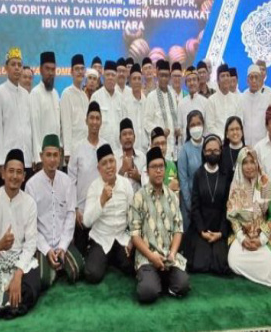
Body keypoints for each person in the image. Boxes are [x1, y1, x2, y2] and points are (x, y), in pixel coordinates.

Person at [0, 149, 41, 323]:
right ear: (3, 173)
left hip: (21, 263)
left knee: (30, 290)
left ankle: (7, 303)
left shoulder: (30, 203)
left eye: (19, 172)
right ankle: (10, 304)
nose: (15, 176)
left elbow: (31, 243)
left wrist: (18, 273)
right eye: (11, 171)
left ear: (24, 176)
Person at [129, 147, 190, 303]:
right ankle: (153, 280)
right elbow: (135, 236)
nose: (158, 170)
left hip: (169, 256)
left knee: (183, 285)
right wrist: (152, 256)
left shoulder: (172, 197)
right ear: (147, 171)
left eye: (161, 166)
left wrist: (172, 254)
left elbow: (178, 229)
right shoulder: (138, 197)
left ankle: (160, 280)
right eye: (154, 167)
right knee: (147, 293)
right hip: (147, 257)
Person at [25, 135, 85, 288]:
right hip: (42, 243)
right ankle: (53, 264)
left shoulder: (66, 182)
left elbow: (70, 216)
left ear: (60, 157)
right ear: (41, 156)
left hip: (62, 241)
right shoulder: (31, 185)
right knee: (43, 280)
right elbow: (31, 225)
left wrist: (62, 247)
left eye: (55, 155)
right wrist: (47, 250)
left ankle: (59, 263)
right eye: (48, 155)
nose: (52, 160)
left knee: (77, 270)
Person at [227, 147, 271, 289]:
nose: (249, 166)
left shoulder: (266, 184)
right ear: (240, 165)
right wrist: (242, 238)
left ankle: (256, 273)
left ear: (257, 163)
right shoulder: (236, 186)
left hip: (264, 235)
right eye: (245, 162)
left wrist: (261, 239)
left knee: (270, 266)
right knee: (233, 259)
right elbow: (233, 218)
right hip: (243, 235)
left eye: (252, 162)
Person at [83, 144, 135, 284]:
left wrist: (131, 240)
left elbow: (133, 215)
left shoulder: (125, 184)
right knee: (92, 274)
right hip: (101, 238)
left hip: (121, 238)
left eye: (111, 161)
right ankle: (105, 258)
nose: (109, 166)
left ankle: (113, 259)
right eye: (104, 163)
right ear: (99, 169)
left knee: (133, 267)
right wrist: (102, 200)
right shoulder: (94, 187)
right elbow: (86, 222)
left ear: (116, 163)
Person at [185, 135, 231, 274]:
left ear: (221, 152)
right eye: (209, 150)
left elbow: (228, 207)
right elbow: (195, 206)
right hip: (201, 228)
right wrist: (202, 231)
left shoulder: (225, 174)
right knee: (199, 265)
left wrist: (221, 232)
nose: (212, 153)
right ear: (204, 152)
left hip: (219, 227)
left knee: (220, 266)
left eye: (216, 150)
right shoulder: (198, 174)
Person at [68, 102, 107, 253]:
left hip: (102, 210)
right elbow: (71, 181)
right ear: (86, 121)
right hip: (82, 212)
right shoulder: (78, 148)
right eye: (92, 118)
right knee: (81, 253)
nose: (94, 122)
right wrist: (75, 209)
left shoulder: (106, 146)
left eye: (97, 118)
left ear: (101, 122)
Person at [0, 47, 33, 179]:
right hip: (7, 162)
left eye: (19, 65)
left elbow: (29, 127)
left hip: (26, 160)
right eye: (13, 64)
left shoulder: (26, 95)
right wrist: (0, 162)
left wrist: (33, 157)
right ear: (6, 68)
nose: (17, 68)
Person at [144, 59, 180, 159]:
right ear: (157, 75)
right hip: (158, 146)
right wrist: (160, 131)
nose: (164, 78)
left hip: (173, 147)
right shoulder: (151, 96)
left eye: (166, 75)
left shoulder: (173, 94)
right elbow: (147, 122)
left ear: (169, 77)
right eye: (161, 75)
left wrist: (177, 129)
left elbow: (175, 117)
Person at [30, 52, 61, 166]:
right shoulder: (35, 93)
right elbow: (35, 127)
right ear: (40, 70)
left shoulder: (56, 94)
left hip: (55, 155)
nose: (50, 73)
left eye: (53, 69)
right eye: (47, 69)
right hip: (43, 156)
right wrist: (38, 158)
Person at [178, 110, 206, 232]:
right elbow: (183, 181)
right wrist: (191, 207)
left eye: (198, 124)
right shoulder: (184, 150)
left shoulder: (209, 145)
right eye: (192, 125)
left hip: (209, 203)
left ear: (203, 125)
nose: (196, 127)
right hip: (190, 205)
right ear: (188, 128)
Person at [60, 54, 89, 165]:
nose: (80, 72)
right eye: (77, 69)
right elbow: (66, 124)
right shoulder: (66, 94)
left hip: (85, 149)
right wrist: (67, 152)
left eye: (82, 69)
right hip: (72, 151)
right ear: (71, 72)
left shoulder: (84, 96)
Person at [92, 60, 124, 152]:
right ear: (103, 77)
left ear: (116, 77)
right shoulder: (96, 97)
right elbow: (91, 125)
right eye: (108, 75)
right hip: (100, 149)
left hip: (118, 149)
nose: (110, 77)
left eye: (113, 75)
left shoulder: (121, 98)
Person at [241, 65, 271, 146]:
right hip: (246, 144)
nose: (254, 80)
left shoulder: (268, 97)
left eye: (256, 77)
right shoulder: (242, 97)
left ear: (260, 79)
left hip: (263, 144)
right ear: (247, 80)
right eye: (251, 77)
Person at [206, 64, 241, 137]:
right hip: (217, 140)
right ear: (218, 80)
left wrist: (231, 137)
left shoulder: (237, 99)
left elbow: (239, 121)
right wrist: (223, 138)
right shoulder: (211, 100)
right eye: (223, 76)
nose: (226, 78)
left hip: (234, 139)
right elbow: (210, 126)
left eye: (227, 75)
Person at [142, 127, 180, 194]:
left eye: (163, 143)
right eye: (157, 144)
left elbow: (176, 191)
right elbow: (149, 195)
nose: (161, 147)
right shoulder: (147, 169)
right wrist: (169, 188)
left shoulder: (171, 165)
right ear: (151, 146)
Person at [122, 63, 148, 154]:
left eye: (139, 78)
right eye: (134, 79)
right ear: (130, 81)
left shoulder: (147, 102)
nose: (137, 81)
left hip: (145, 150)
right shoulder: (124, 103)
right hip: (130, 150)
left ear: (142, 81)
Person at [178, 65, 208, 138]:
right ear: (186, 84)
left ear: (198, 82)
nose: (191, 83)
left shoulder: (205, 102)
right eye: (189, 80)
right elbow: (180, 127)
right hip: (186, 142)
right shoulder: (181, 104)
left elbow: (207, 127)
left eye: (194, 80)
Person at [116, 118, 145, 192]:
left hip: (139, 198)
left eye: (130, 134)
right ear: (120, 139)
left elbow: (149, 184)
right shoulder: (114, 157)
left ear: (134, 137)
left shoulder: (142, 157)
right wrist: (122, 170)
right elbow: (111, 184)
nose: (128, 137)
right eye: (124, 134)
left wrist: (138, 177)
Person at [221, 116, 245, 184]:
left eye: (237, 129)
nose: (235, 132)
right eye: (232, 129)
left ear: (242, 132)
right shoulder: (221, 153)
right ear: (227, 134)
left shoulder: (248, 151)